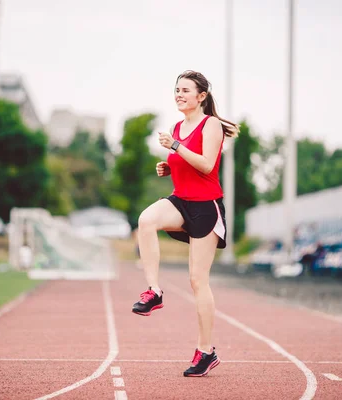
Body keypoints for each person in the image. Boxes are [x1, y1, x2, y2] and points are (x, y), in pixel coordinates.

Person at [131, 70, 238, 377]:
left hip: (206, 208)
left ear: (201, 96)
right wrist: (170, 166)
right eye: (176, 90)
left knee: (197, 281)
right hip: (181, 200)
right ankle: (154, 291)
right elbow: (188, 165)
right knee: (146, 220)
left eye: (185, 90)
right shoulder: (178, 125)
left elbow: (206, 164)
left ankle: (206, 352)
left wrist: (176, 148)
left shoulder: (211, 124)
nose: (178, 94)